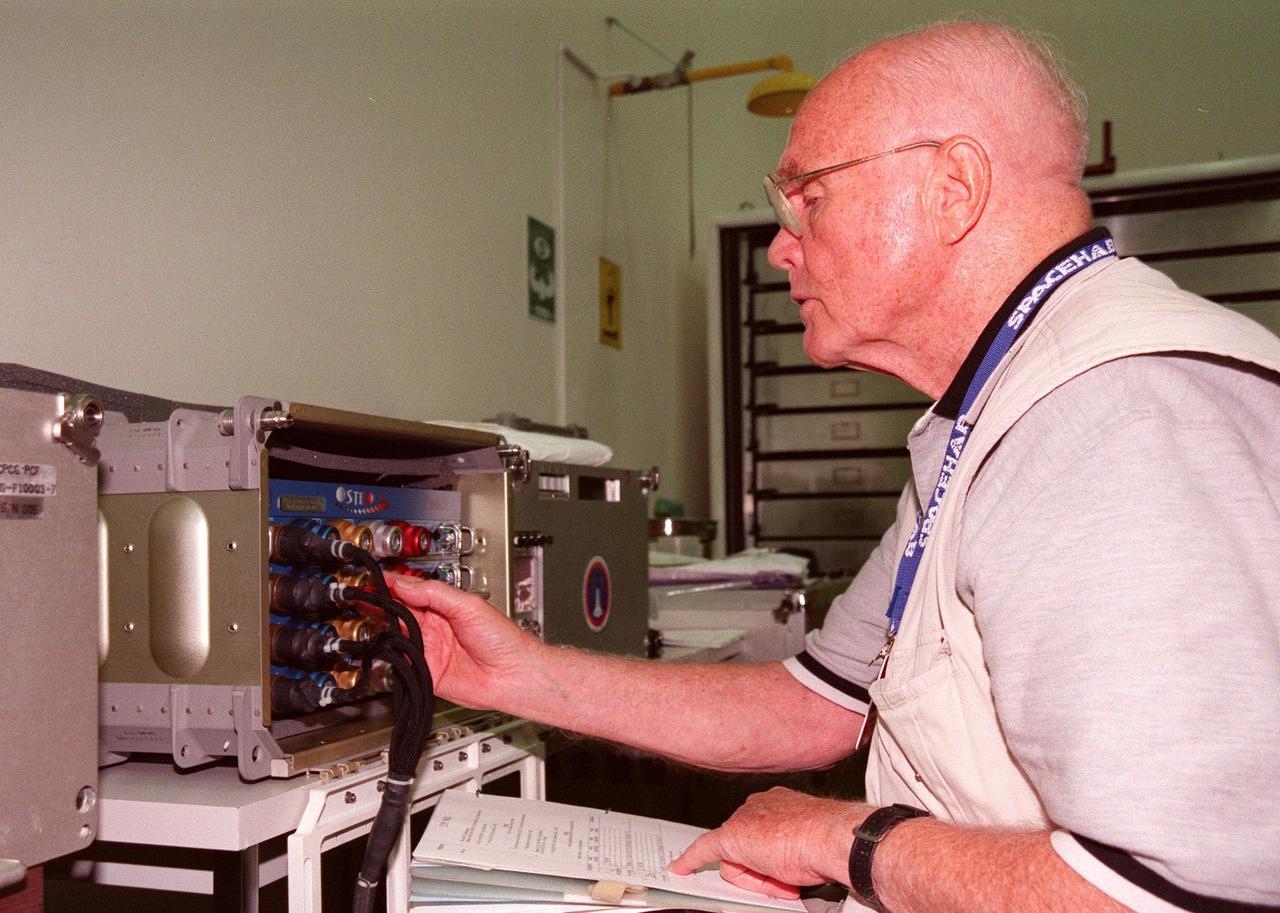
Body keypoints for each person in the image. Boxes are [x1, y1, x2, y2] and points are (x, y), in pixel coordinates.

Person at [393, 20, 1280, 913]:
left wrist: (847, 840)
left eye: (809, 196)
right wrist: (521, 676)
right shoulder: (998, 410)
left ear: (953, 189)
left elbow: (1161, 896)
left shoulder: (1113, 417)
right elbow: (817, 702)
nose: (783, 244)